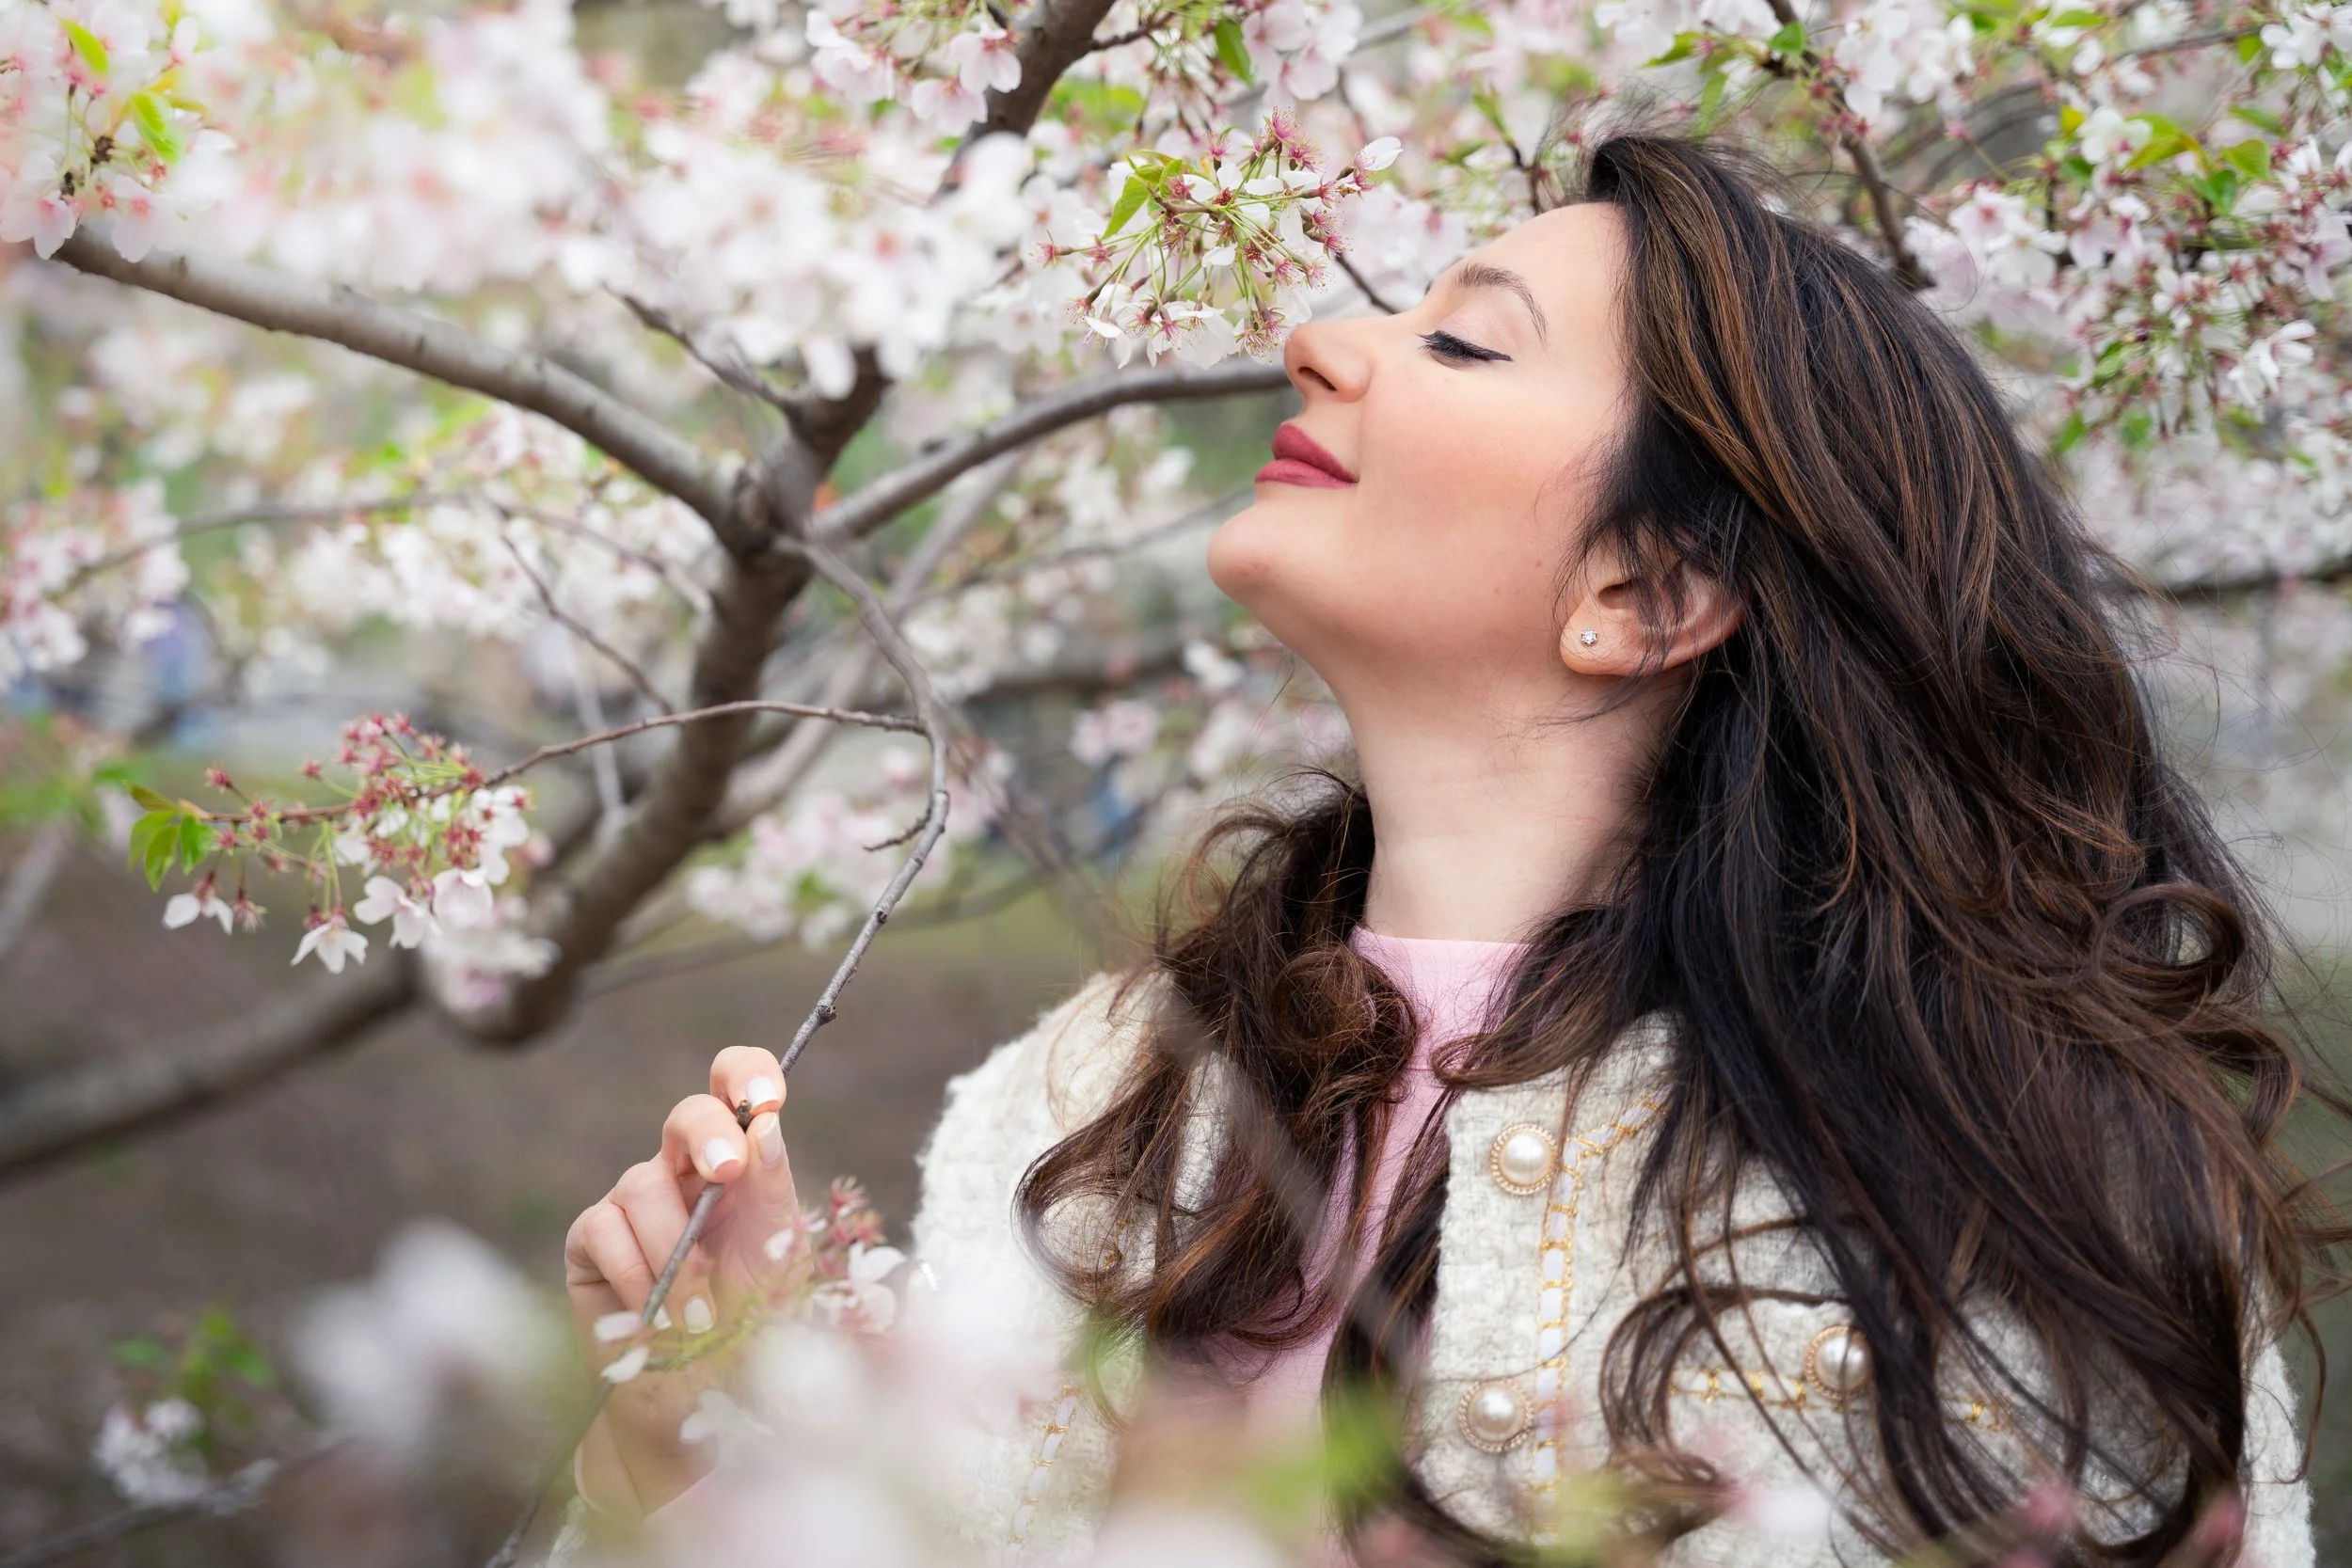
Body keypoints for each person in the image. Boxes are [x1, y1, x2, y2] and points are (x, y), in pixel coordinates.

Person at [558, 132, 2329, 1566]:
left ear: (1646, 591)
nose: (1323, 345)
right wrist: (689, 1432)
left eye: (1465, 338)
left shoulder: (2008, 1189)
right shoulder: (1091, 1101)